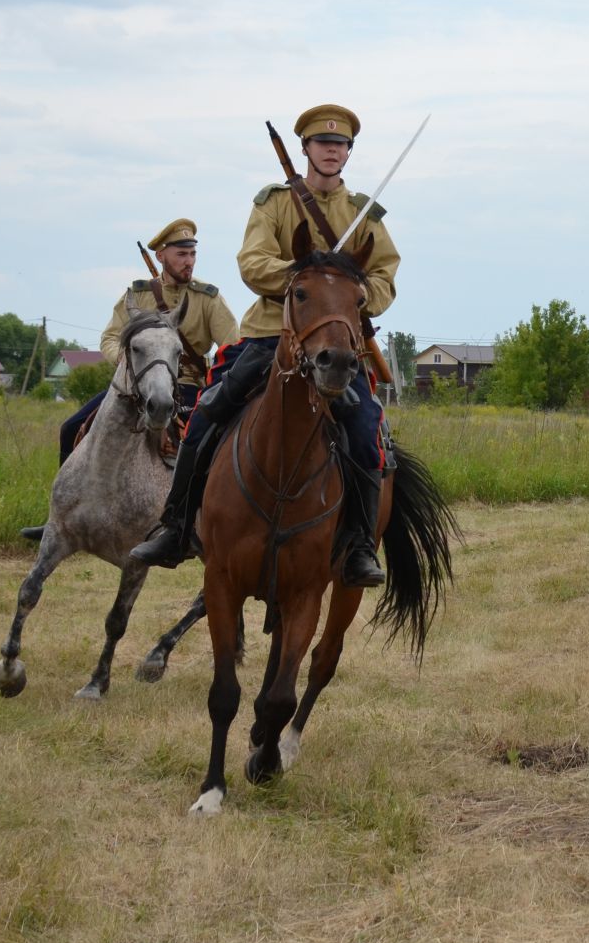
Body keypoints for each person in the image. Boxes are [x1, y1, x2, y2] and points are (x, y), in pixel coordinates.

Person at [130, 104, 401, 587]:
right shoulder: (273, 204)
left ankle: (359, 545)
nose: (332, 151)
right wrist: (304, 278)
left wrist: (354, 295)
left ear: (348, 153)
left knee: (364, 430)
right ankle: (175, 527)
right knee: (208, 413)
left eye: (340, 145)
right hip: (271, 334)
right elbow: (252, 262)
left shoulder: (365, 213)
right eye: (323, 143)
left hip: (336, 342)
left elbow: (384, 276)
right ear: (305, 149)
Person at [58, 218, 237, 463]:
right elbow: (110, 337)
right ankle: (71, 499)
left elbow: (232, 346)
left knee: (205, 445)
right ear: (161, 256)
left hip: (185, 387)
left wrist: (214, 386)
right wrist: (122, 358)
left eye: (193, 254)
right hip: (134, 384)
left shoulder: (208, 298)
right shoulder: (139, 294)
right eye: (182, 254)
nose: (189, 261)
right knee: (70, 429)